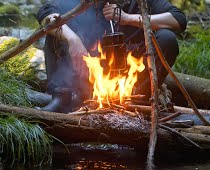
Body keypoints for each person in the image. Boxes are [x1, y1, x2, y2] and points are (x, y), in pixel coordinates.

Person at [36, 0, 187, 113]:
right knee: (57, 30)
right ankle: (62, 98)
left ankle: (137, 101)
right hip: (84, 81)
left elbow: (178, 20)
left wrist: (128, 18)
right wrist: (73, 40)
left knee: (166, 38)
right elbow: (45, 15)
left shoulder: (139, 2)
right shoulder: (79, 3)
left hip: (129, 86)